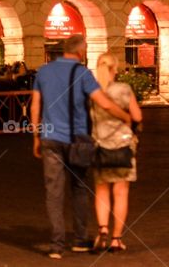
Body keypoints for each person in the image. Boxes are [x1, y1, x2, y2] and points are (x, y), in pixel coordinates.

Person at [31, 34, 132, 260]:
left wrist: (36, 136)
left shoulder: (43, 72)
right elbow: (103, 102)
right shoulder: (83, 74)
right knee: (79, 188)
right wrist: (125, 116)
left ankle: (56, 246)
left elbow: (36, 106)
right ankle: (79, 239)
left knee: (53, 192)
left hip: (50, 138)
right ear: (81, 52)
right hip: (77, 139)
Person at [91, 53, 143, 253]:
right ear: (116, 69)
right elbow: (137, 116)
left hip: (99, 146)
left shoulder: (92, 92)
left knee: (102, 190)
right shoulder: (124, 89)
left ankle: (102, 230)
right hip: (123, 146)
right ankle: (116, 238)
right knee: (121, 193)